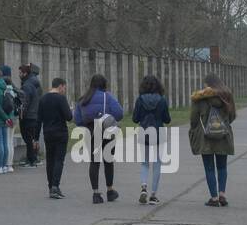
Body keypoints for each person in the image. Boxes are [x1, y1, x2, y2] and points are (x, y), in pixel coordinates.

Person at [73, 73, 124, 203]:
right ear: (104, 84)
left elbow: (78, 120)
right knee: (108, 161)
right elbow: (119, 114)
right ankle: (110, 191)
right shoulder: (108, 97)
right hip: (107, 131)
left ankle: (95, 194)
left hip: (91, 131)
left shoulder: (83, 99)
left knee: (94, 162)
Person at [188, 73, 236, 207]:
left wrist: (195, 129)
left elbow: (193, 119)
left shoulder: (199, 98)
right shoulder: (227, 96)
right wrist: (223, 124)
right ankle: (222, 194)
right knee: (222, 167)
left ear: (207, 84)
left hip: (205, 138)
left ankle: (214, 198)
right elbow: (232, 116)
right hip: (224, 137)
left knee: (209, 168)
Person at [132, 74, 171, 205]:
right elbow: (167, 119)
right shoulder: (162, 100)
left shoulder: (140, 100)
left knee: (144, 163)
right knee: (157, 164)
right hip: (158, 133)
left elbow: (135, 119)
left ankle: (144, 186)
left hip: (144, 132)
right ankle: (153, 195)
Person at [38, 77, 72, 198]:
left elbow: (39, 119)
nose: (64, 90)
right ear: (60, 86)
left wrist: (36, 138)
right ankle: (55, 186)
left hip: (47, 133)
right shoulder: (61, 99)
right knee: (59, 160)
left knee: (50, 160)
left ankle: (50, 186)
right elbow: (69, 116)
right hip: (60, 133)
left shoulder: (42, 99)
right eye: (64, 87)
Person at [18, 63, 44, 168]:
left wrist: (21, 114)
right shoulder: (33, 82)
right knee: (31, 138)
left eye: (20, 72)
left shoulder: (27, 85)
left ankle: (32, 160)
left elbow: (25, 101)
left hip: (29, 115)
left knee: (28, 138)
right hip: (34, 114)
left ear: (25, 73)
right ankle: (32, 158)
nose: (18, 74)